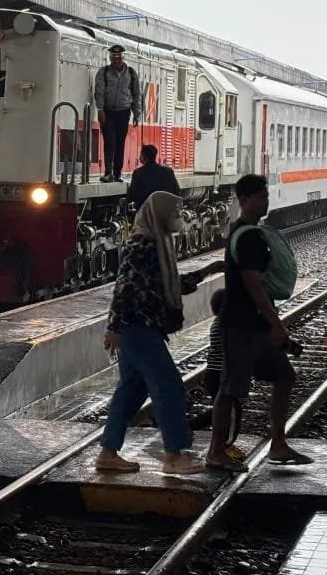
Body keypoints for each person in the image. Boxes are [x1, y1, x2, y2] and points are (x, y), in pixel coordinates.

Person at [95, 191, 223, 475]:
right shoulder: (143, 245)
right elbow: (124, 287)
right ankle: (174, 456)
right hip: (137, 328)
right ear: (160, 214)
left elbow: (168, 285)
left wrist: (207, 272)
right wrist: (113, 327)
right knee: (169, 388)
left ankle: (107, 453)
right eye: (174, 211)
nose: (178, 215)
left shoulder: (157, 243)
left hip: (141, 326)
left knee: (131, 391)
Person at [206, 174, 311, 471]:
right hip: (239, 324)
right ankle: (215, 451)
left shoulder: (244, 231)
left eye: (266, 195)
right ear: (244, 200)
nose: (266, 201)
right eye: (261, 196)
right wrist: (276, 324)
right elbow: (254, 286)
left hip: (255, 325)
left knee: (284, 376)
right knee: (230, 388)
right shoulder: (248, 236)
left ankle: (278, 444)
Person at [94, 44, 141, 183]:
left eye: (119, 57)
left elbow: (136, 94)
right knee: (109, 142)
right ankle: (108, 172)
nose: (117, 60)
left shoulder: (131, 73)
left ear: (123, 57)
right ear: (110, 58)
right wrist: (100, 109)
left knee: (120, 143)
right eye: (114, 57)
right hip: (108, 112)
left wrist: (136, 114)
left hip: (123, 112)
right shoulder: (103, 72)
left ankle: (117, 173)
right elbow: (99, 92)